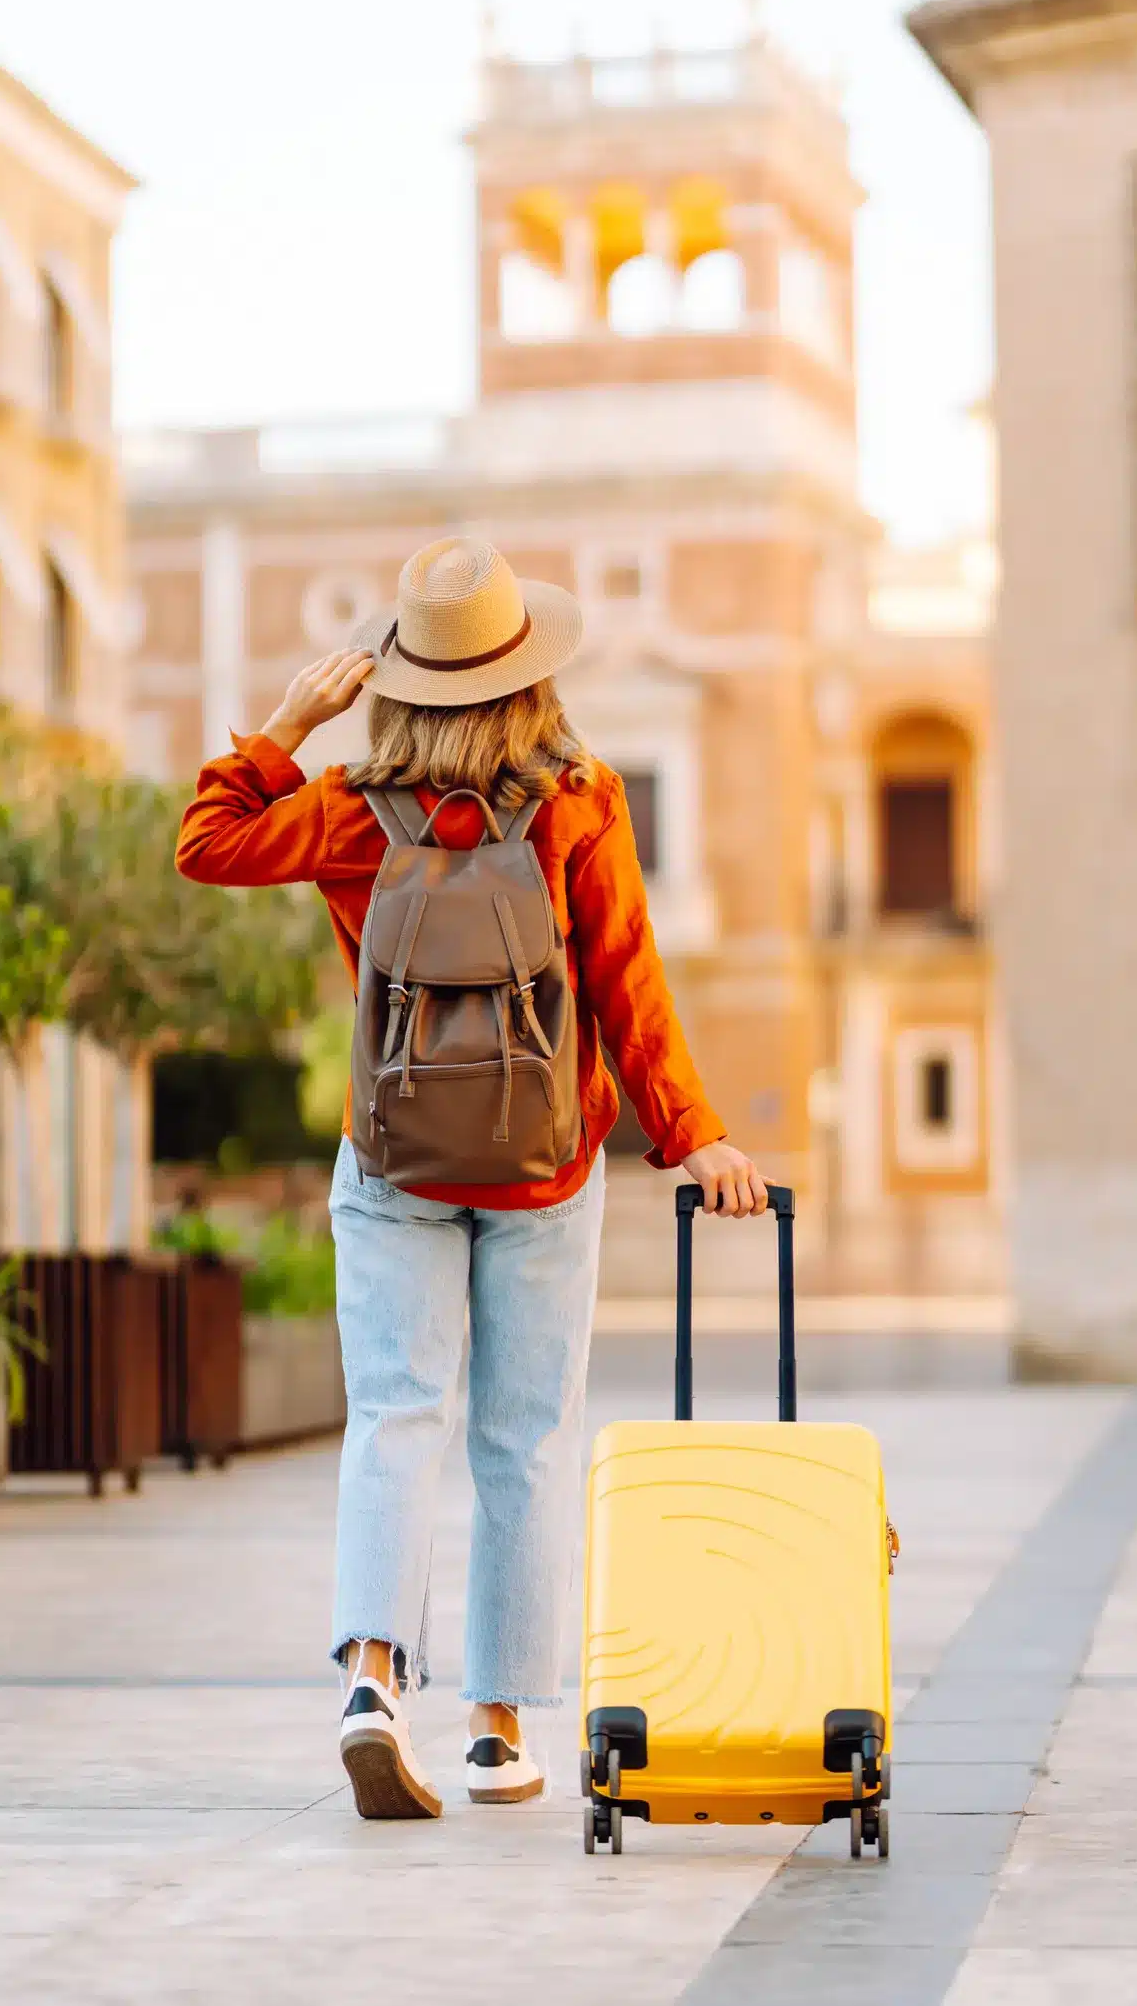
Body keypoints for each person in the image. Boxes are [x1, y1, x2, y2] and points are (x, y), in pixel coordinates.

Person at [176, 537, 768, 1821]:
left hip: (394, 1151)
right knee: (524, 1438)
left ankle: (372, 1679)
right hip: (543, 1166)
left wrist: (287, 723)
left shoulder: (351, 806)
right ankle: (499, 1730)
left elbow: (205, 844)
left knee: (394, 1414)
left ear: (397, 677)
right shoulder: (579, 798)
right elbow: (627, 980)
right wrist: (692, 1132)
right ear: (529, 670)